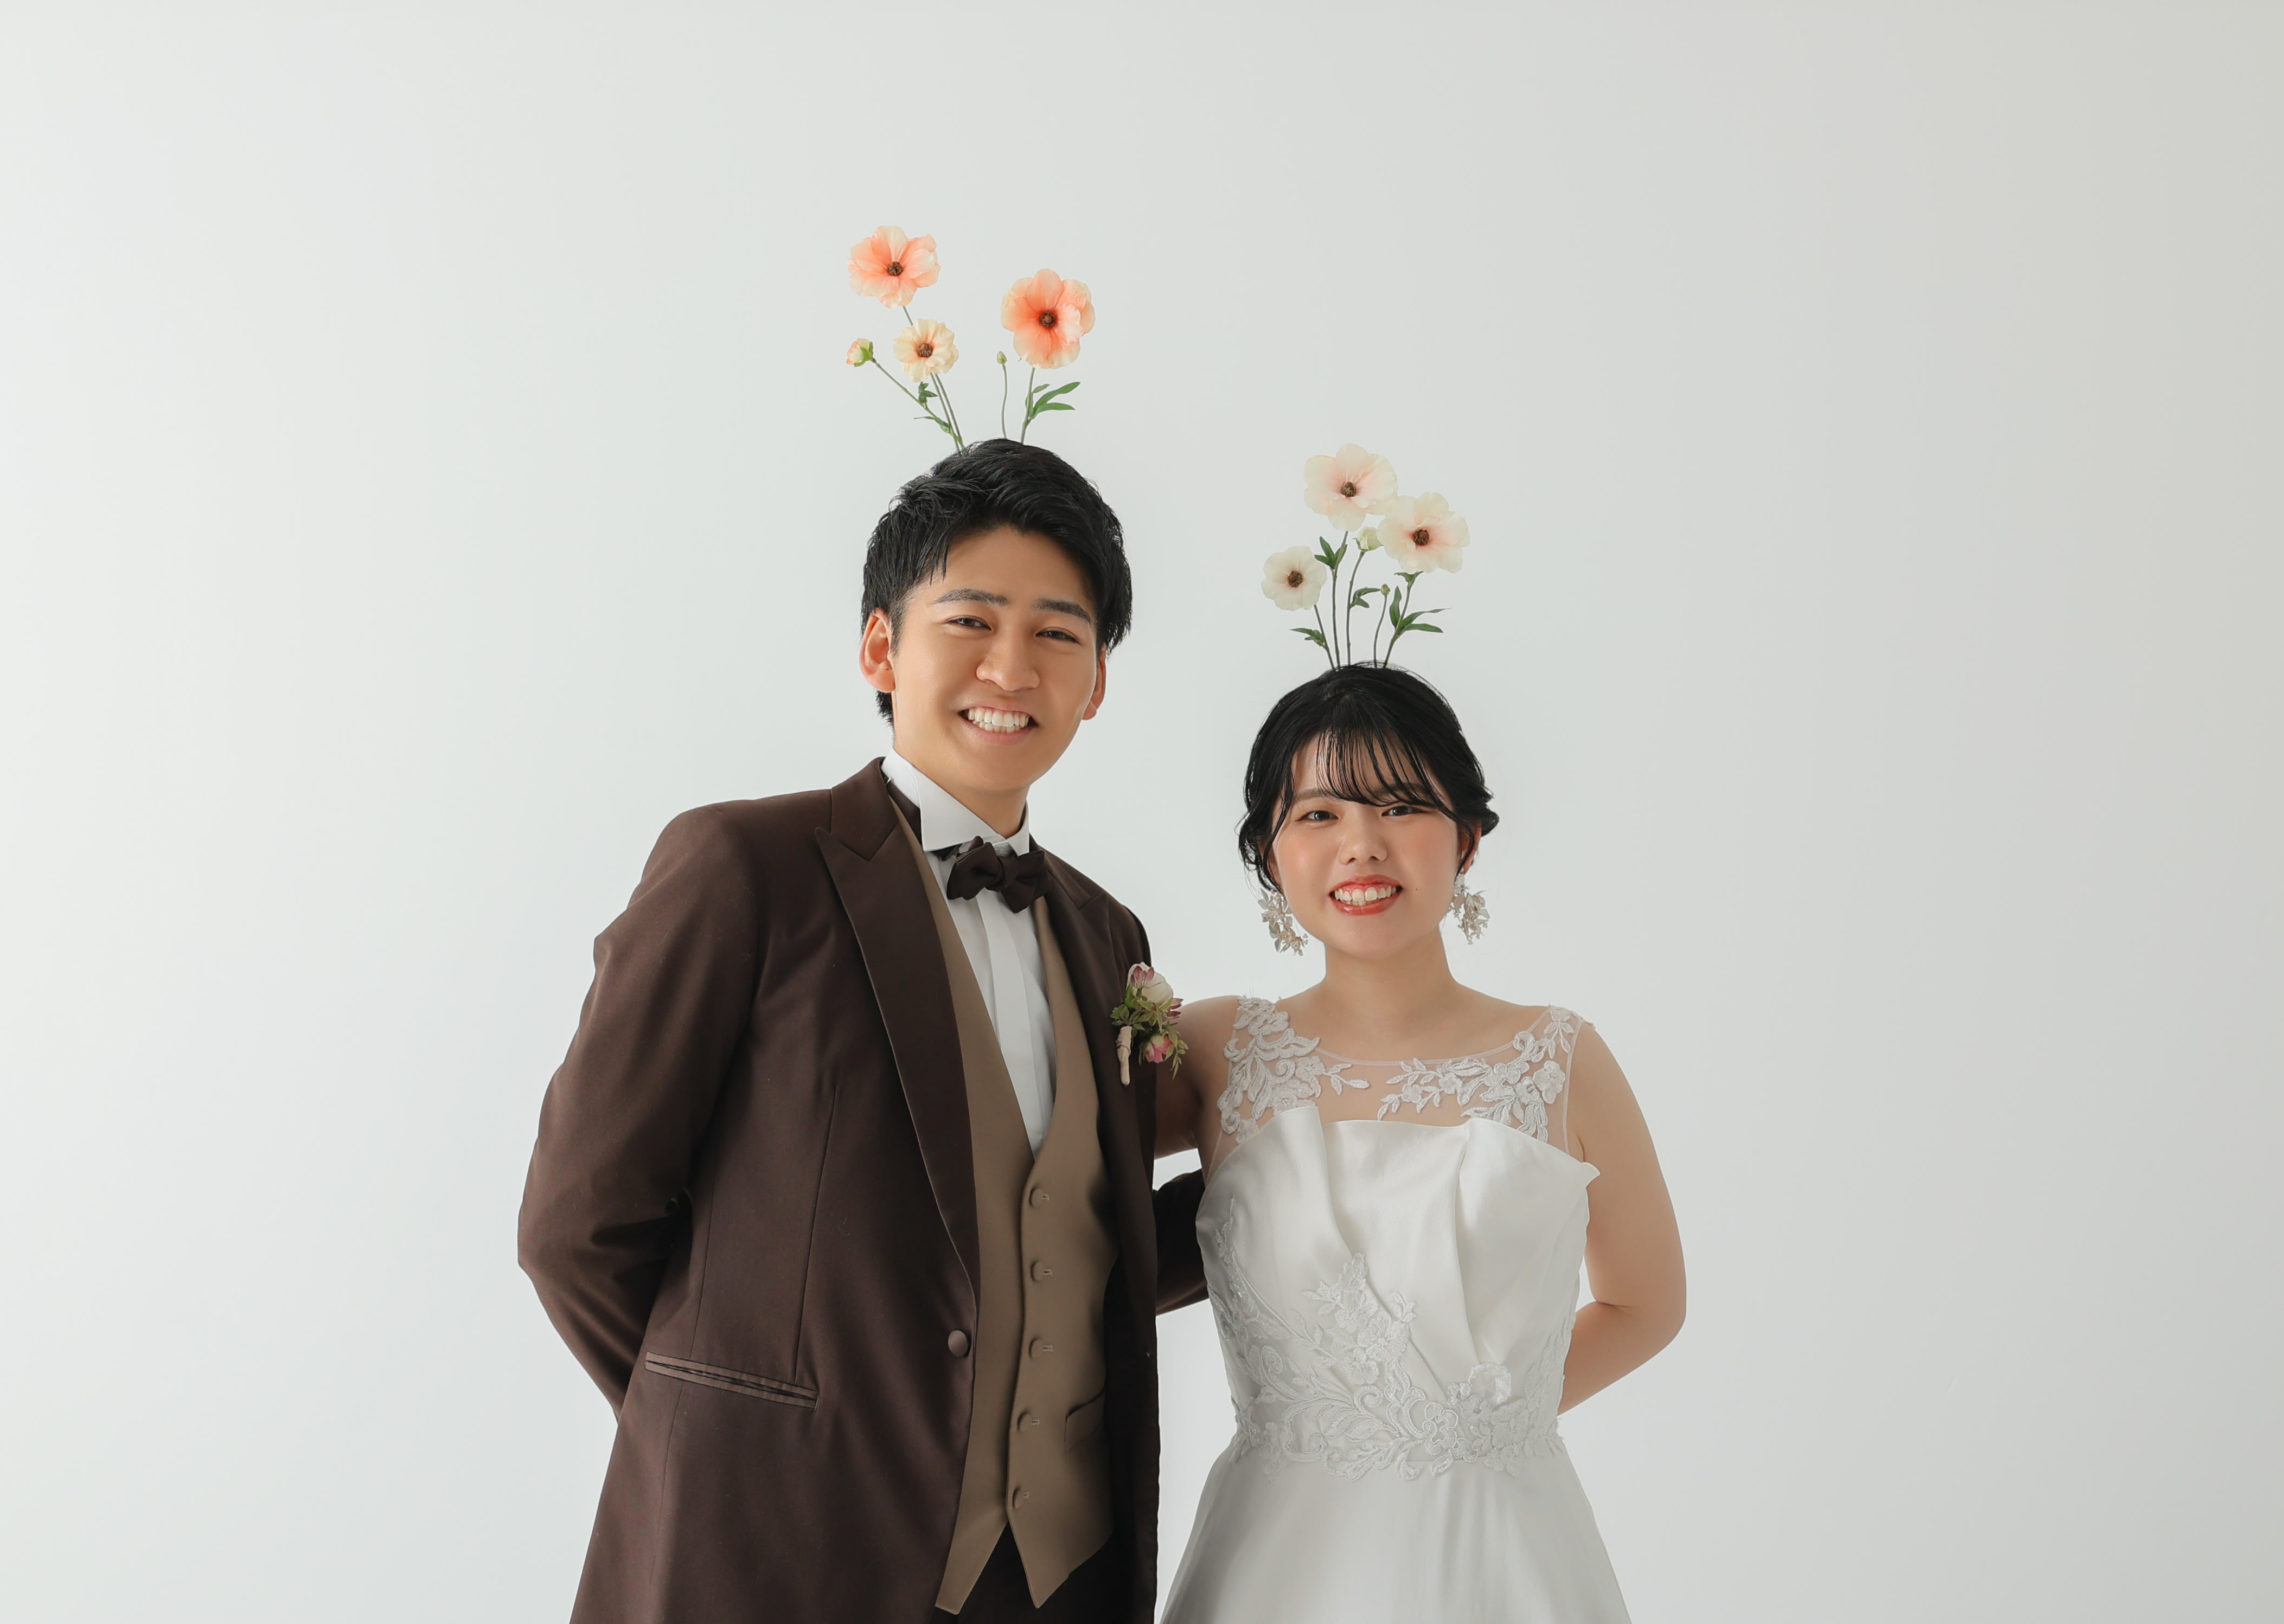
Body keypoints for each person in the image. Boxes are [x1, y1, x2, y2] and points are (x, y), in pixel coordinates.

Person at [519, 440, 1206, 1623]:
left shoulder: (1107, 931)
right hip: (772, 1561)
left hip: (1054, 1581)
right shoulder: (746, 868)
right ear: (882, 648)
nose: (1012, 667)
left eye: (1058, 634)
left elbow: (1079, 1243)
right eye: (971, 621)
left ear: (1097, 682)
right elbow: (578, 1226)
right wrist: (734, 1440)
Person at [1151, 662, 1688, 1624]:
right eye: (1318, 815)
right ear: (1270, 852)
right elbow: (1027, 1183)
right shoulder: (1215, 1050)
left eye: (1400, 807)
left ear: (1467, 838)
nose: (1362, 845)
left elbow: (1647, 1304)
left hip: (1504, 1555)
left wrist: (1483, 1422)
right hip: (1277, 1561)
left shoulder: (1560, 1057)